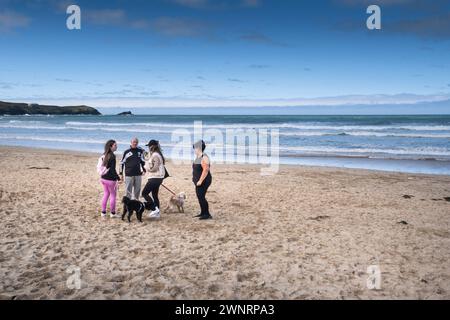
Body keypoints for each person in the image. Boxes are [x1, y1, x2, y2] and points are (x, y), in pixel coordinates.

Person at [142, 140, 166, 219]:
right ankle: (157, 213)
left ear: (153, 146)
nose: (148, 147)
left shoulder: (155, 155)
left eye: (149, 146)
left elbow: (155, 168)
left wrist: (146, 168)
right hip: (158, 177)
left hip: (155, 177)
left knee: (144, 193)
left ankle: (155, 209)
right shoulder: (157, 154)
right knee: (155, 195)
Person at [100, 139, 121, 218]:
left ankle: (103, 212)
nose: (116, 146)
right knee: (113, 195)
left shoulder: (105, 154)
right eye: (115, 145)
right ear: (111, 146)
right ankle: (112, 213)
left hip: (103, 178)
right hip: (110, 180)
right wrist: (118, 178)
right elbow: (112, 170)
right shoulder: (112, 156)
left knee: (106, 194)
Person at [192, 140, 212, 220]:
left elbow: (206, 170)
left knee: (201, 196)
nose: (194, 150)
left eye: (195, 148)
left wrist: (200, 180)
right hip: (198, 181)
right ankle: (203, 212)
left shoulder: (204, 157)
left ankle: (207, 214)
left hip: (204, 180)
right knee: (200, 196)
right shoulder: (198, 157)